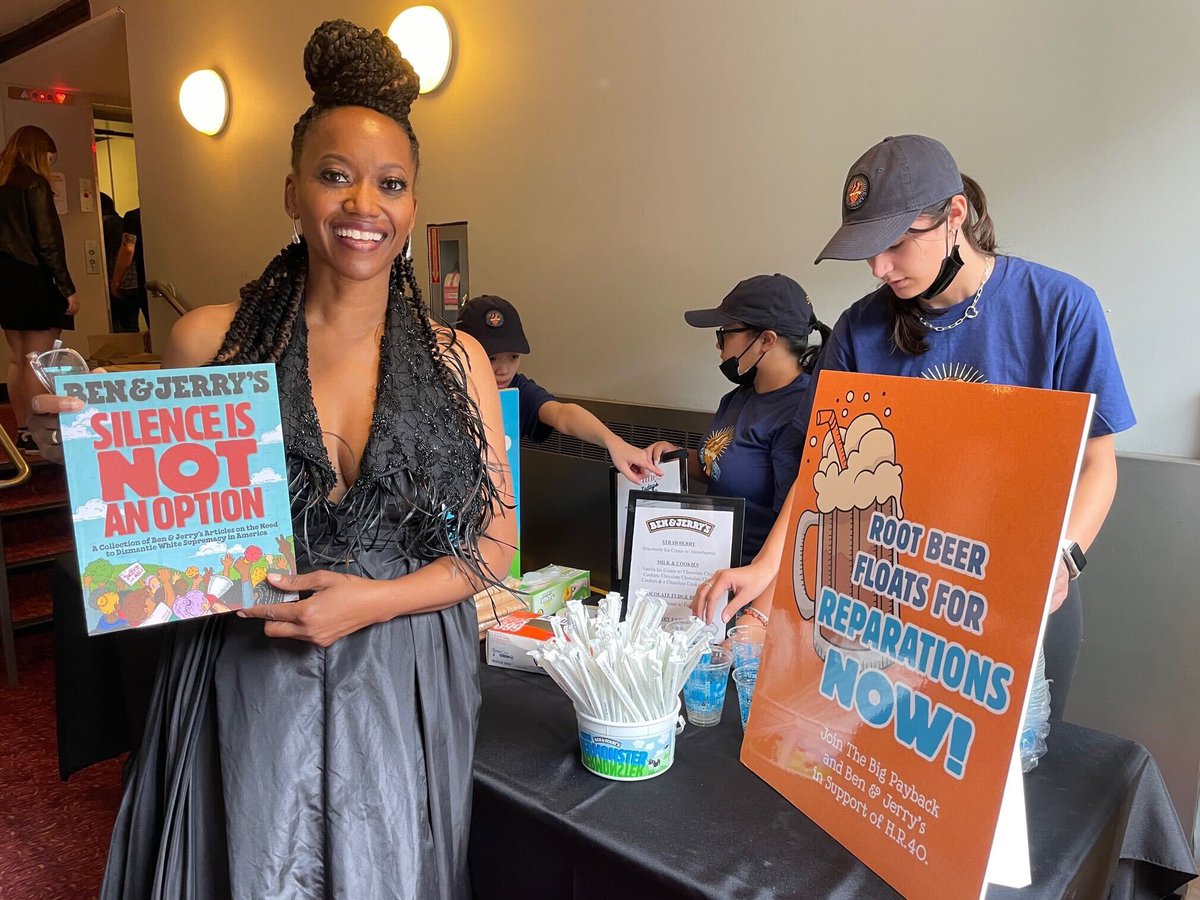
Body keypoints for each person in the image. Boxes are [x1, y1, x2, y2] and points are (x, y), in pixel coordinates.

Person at [30, 20, 514, 898]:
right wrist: (90, 450)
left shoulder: (460, 360)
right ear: (292, 191)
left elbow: (496, 546)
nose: (364, 204)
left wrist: (372, 601)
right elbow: (160, 543)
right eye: (335, 175)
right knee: (243, 868)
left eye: (391, 183)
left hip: (404, 672)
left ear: (412, 205)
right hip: (245, 669)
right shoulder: (210, 340)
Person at [694, 135, 1133, 720]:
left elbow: (1098, 464)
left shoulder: (1059, 308)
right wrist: (766, 569)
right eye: (868, 251)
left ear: (955, 216)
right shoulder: (859, 330)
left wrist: (1063, 558)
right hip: (889, 595)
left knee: (1019, 763)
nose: (880, 268)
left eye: (896, 244)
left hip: (1020, 592)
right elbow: (822, 469)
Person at [646, 274, 828, 570]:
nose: (718, 346)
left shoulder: (799, 414)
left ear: (766, 340)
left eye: (725, 334)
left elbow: (798, 525)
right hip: (710, 559)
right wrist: (677, 456)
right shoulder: (738, 397)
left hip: (751, 573)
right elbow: (723, 471)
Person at [456, 293, 662, 483]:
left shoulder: (518, 390)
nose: (504, 370)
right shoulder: (446, 391)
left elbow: (562, 414)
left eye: (514, 357)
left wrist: (614, 442)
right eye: (491, 358)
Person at [0, 125, 78, 454]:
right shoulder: (34, 184)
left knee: (18, 359)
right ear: (37, 152)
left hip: (5, 280)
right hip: (33, 279)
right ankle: (40, 431)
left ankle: (23, 431)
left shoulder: (2, 182)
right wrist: (66, 287)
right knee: (38, 361)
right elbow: (48, 242)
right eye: (49, 158)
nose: (49, 165)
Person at [109, 206, 147, 332]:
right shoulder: (170, 213)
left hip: (145, 279)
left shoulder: (133, 216)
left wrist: (116, 281)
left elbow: (128, 249)